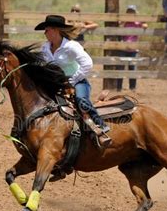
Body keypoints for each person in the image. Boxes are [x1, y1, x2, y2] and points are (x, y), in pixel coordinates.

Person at [34, 15, 111, 148]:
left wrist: (71, 80)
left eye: (47, 30)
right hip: (55, 83)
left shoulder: (71, 46)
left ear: (55, 30)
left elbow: (87, 64)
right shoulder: (45, 48)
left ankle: (100, 126)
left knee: (81, 100)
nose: (45, 33)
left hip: (77, 81)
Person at [118, 5, 148, 92]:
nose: (130, 14)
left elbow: (145, 25)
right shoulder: (124, 22)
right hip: (123, 47)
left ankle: (132, 87)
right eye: (129, 12)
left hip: (133, 49)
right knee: (121, 68)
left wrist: (142, 22)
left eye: (132, 12)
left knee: (132, 68)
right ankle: (119, 87)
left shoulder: (137, 23)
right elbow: (119, 25)